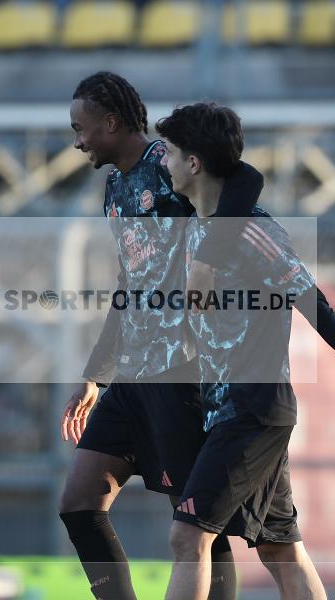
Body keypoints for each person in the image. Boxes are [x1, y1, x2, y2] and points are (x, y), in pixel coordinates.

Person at [156, 102, 335, 599]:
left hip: (253, 410)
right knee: (281, 550)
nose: (162, 163)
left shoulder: (255, 232)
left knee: (188, 535)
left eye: (170, 154)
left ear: (193, 163)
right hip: (231, 413)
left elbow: (315, 306)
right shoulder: (197, 223)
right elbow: (245, 174)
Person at [58, 71, 263, 600]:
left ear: (111, 121)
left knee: (196, 525)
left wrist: (208, 263)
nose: (77, 140)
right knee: (80, 500)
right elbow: (131, 285)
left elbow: (245, 180)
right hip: (133, 373)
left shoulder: (166, 162)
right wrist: (94, 378)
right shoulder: (114, 187)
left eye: (82, 128)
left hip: (182, 372)